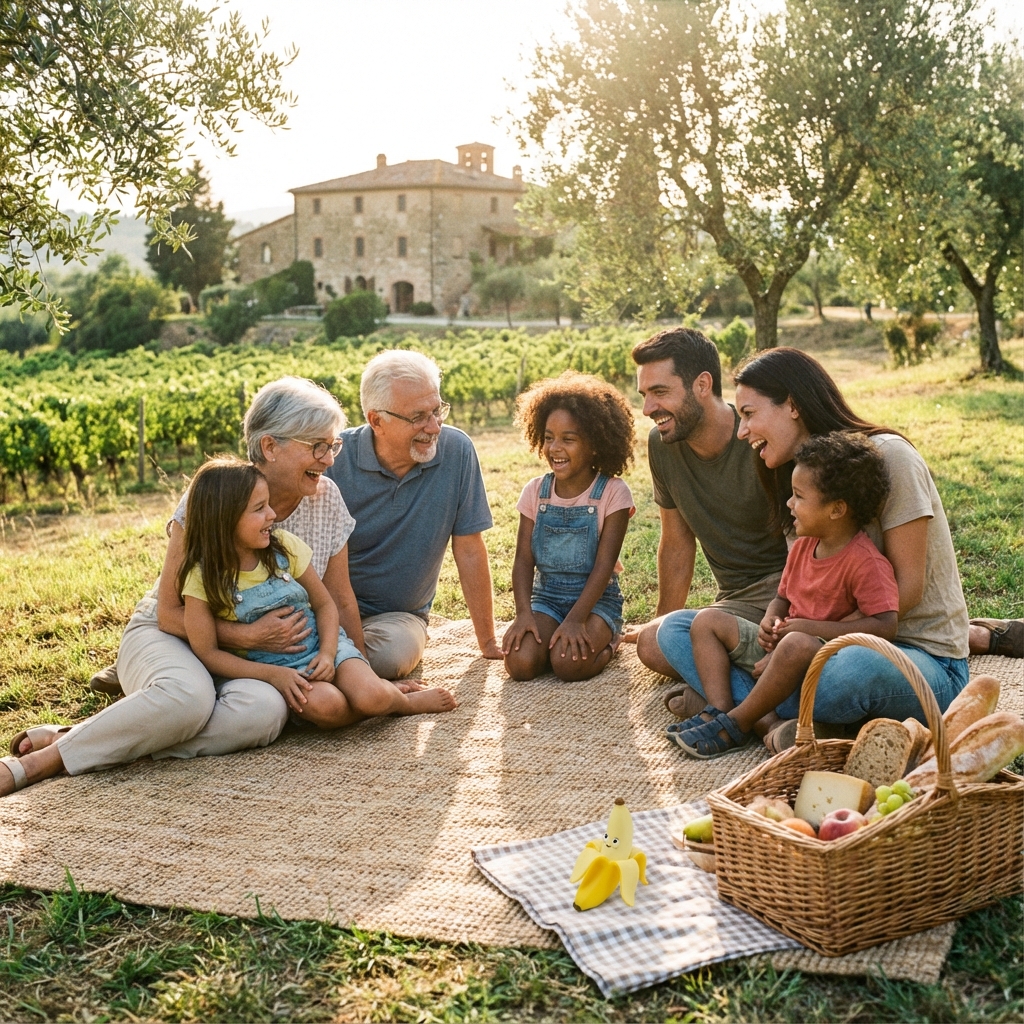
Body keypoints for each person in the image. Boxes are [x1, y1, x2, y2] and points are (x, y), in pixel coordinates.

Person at [2, 377, 404, 795]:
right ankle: (39, 763)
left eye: (333, 445)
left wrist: (368, 682)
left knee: (263, 714)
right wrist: (246, 634)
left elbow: (339, 598)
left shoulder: (327, 499)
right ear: (270, 446)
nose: (328, 459)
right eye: (317, 446)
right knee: (190, 700)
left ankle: (85, 736)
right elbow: (169, 612)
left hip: (252, 660)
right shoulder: (212, 495)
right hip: (172, 631)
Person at [730, 347, 972, 748]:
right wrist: (783, 638)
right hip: (817, 647)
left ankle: (751, 708)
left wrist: (801, 644)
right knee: (680, 633)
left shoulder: (892, 458)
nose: (741, 432)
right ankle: (785, 718)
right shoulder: (797, 483)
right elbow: (801, 591)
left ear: (792, 405)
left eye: (749, 414)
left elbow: (905, 593)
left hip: (919, 657)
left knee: (844, 677)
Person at [669, 432, 899, 758]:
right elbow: (783, 597)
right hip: (781, 645)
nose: (790, 503)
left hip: (819, 659)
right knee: (706, 621)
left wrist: (808, 629)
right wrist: (770, 618)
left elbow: (886, 625)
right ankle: (719, 710)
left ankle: (737, 723)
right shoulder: (803, 545)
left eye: (799, 496)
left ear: (837, 509)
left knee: (794, 644)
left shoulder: (865, 563)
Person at [179, 457, 455, 726]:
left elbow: (325, 605)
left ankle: (401, 704)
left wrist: (327, 652)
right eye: (260, 508)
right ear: (224, 519)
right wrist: (274, 676)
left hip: (326, 646)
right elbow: (208, 652)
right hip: (278, 670)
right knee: (329, 707)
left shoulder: (283, 548)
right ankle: (380, 700)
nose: (272, 515)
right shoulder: (201, 577)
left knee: (370, 696)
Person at [627, 328, 790, 718]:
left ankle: (742, 706)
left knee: (788, 648)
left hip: (790, 589)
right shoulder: (661, 445)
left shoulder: (759, 436)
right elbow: (676, 542)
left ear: (703, 384)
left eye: (660, 392)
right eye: (644, 395)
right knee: (652, 643)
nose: (648, 408)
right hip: (736, 602)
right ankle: (756, 700)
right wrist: (664, 621)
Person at [326, 350, 501, 679]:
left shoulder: (457, 451)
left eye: (437, 411)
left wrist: (488, 641)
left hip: (395, 620)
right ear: (376, 420)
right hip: (324, 608)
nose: (433, 427)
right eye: (418, 416)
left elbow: (469, 548)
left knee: (391, 658)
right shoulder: (333, 460)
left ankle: (333, 670)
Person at [502, 371, 636, 681]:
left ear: (595, 444)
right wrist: (524, 615)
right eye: (548, 437)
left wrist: (576, 620)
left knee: (568, 664)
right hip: (547, 597)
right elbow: (523, 559)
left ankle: (610, 642)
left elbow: (604, 566)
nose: (554, 448)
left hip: (595, 600)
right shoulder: (536, 491)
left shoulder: (613, 493)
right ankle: (551, 639)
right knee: (520, 664)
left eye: (568, 439)